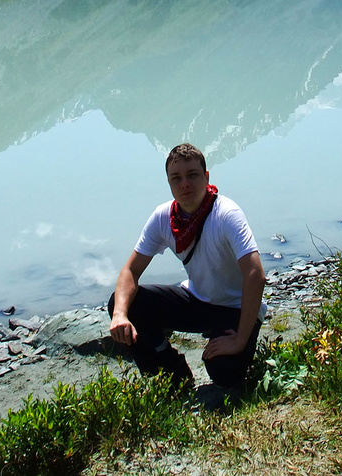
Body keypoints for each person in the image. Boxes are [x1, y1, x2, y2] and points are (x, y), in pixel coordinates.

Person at [108, 142, 266, 402]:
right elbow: (130, 271)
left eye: (192, 175)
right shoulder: (163, 217)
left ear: (206, 177)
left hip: (237, 308)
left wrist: (239, 339)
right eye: (176, 178)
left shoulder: (227, 214)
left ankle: (236, 350)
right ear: (169, 183)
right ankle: (173, 375)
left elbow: (255, 274)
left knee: (224, 371)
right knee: (122, 301)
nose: (185, 185)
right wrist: (119, 315)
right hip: (198, 299)